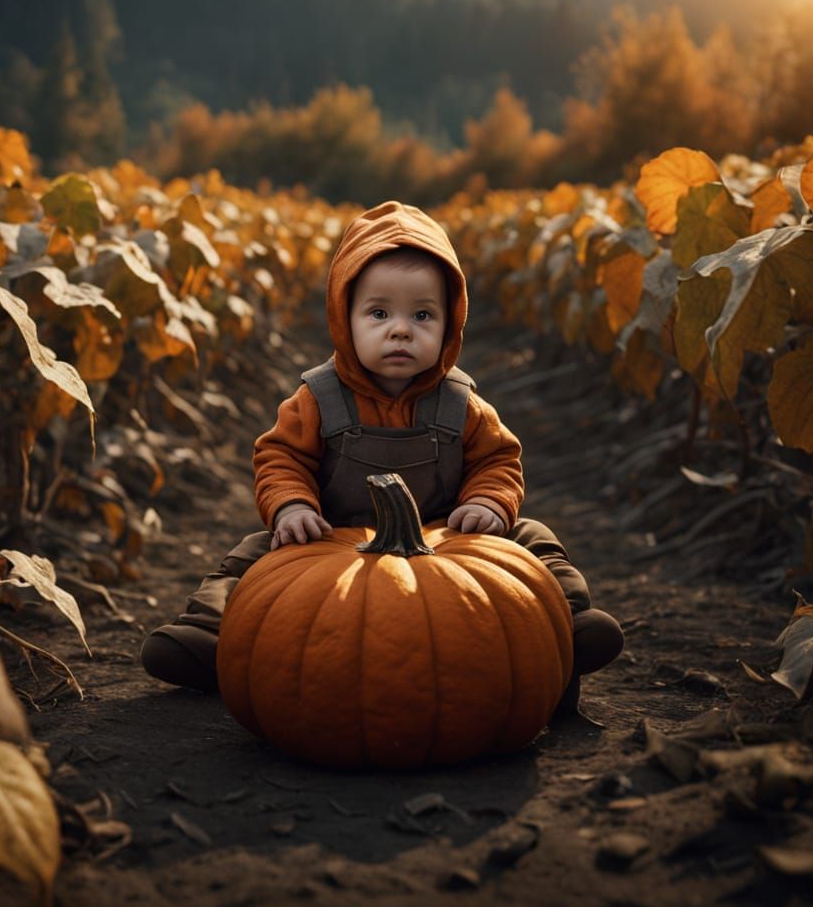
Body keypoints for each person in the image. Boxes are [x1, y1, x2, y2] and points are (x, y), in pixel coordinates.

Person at [141, 200, 623, 718]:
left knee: (533, 537)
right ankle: (209, 634)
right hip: (329, 539)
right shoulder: (316, 399)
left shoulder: (463, 403)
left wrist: (488, 501)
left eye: (422, 315)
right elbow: (280, 458)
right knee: (249, 556)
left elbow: (499, 459)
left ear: (450, 324)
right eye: (379, 313)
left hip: (448, 540)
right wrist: (292, 508)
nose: (400, 330)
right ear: (344, 319)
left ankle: (564, 623)